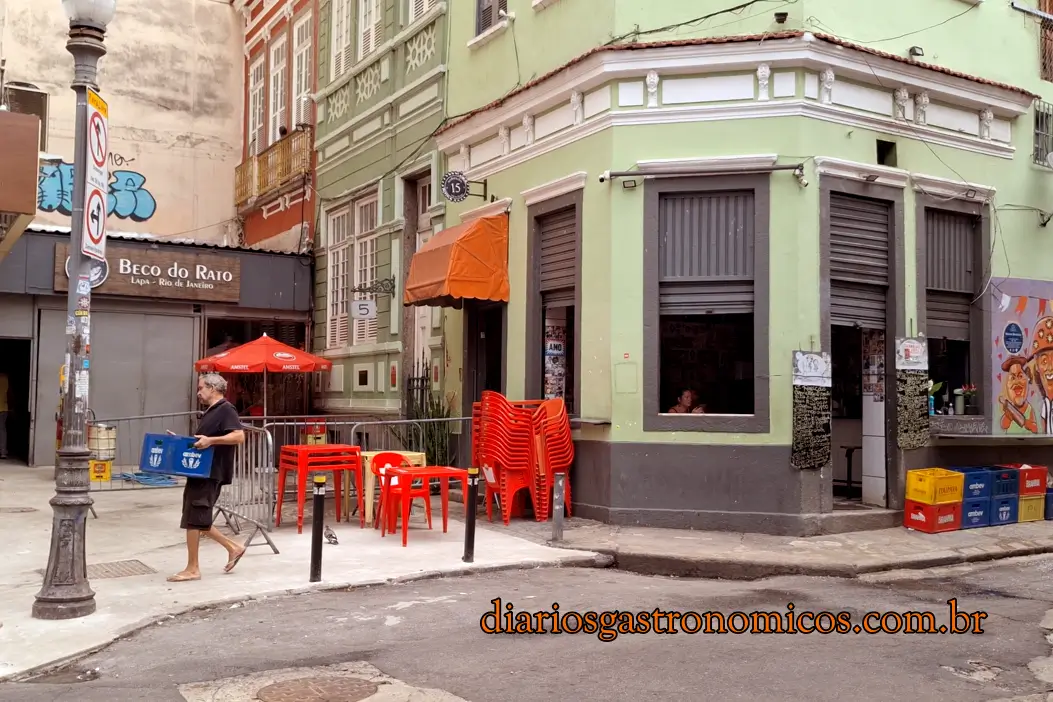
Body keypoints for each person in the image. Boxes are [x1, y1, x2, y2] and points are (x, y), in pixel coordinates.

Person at [167, 373, 248, 582]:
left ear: (213, 388)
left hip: (211, 472)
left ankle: (195, 568)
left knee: (196, 519)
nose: (198, 392)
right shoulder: (211, 412)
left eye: (201, 388)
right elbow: (203, 442)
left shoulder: (226, 409)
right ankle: (231, 548)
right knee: (192, 518)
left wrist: (211, 440)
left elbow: (238, 436)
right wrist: (180, 442)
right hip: (200, 471)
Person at [0, 371, 8, 459]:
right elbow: (10, 394)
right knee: (2, 430)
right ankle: (3, 452)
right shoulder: (6, 379)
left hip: (3, 407)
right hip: (3, 408)